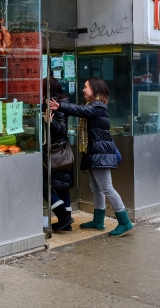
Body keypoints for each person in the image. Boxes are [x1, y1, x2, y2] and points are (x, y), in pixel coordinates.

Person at [49, 78, 134, 238]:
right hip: (95, 153)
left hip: (100, 154)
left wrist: (60, 106)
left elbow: (80, 111)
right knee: (96, 188)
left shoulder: (98, 106)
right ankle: (98, 220)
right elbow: (82, 110)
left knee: (107, 188)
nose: (83, 89)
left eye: (86, 87)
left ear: (95, 90)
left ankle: (125, 222)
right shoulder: (93, 106)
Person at [43, 77, 74, 232]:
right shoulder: (60, 102)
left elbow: (61, 129)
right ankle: (66, 224)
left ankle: (64, 217)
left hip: (56, 151)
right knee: (63, 187)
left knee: (44, 186)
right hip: (60, 151)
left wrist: (49, 122)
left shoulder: (56, 104)